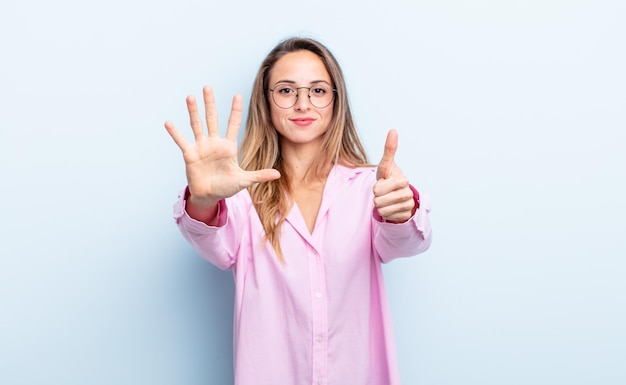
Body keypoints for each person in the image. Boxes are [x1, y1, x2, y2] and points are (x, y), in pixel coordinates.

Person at [165, 37, 432, 385]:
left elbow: (407, 242)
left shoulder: (370, 188)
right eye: (287, 90)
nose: (303, 103)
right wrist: (202, 201)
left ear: (336, 101)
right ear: (267, 101)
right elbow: (217, 247)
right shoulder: (242, 196)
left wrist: (401, 211)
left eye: (318, 91)